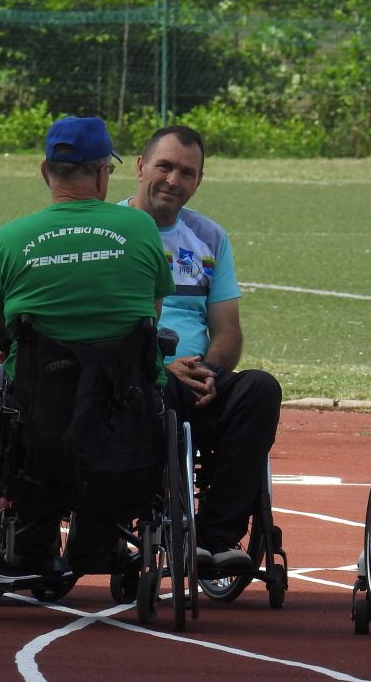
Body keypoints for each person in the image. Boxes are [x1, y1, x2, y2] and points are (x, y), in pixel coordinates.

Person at [0, 116, 174, 577]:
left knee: (27, 415)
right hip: (121, 408)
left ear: (47, 171)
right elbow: (151, 313)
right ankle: (99, 541)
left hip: (39, 407)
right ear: (103, 173)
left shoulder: (10, 238)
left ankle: (30, 545)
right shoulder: (141, 228)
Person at [120, 125, 281, 569]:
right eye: (164, 166)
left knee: (260, 389)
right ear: (140, 166)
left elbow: (227, 330)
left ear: (199, 181)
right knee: (162, 391)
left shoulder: (209, 237)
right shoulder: (111, 232)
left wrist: (208, 372)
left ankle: (217, 537)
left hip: (198, 380)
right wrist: (161, 370)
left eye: (187, 172)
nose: (174, 180)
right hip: (133, 382)